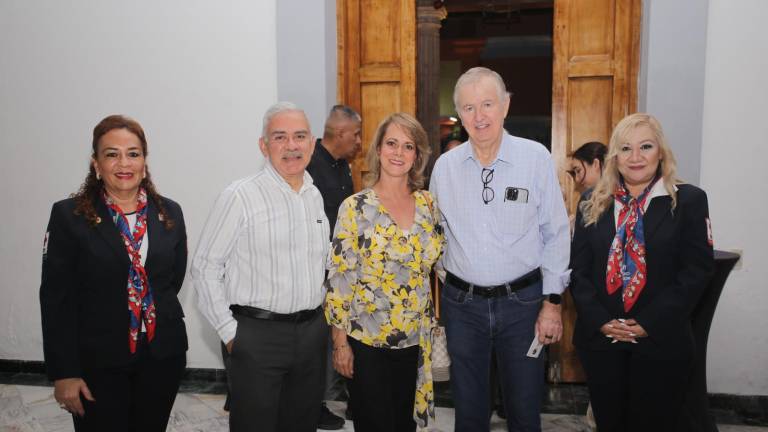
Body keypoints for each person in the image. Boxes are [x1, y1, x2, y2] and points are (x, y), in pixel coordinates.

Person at [430, 67, 571, 432]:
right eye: (469, 108)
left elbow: (556, 234)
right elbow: (433, 236)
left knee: (523, 411)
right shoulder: (444, 168)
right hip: (463, 308)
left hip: (522, 306)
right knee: (468, 413)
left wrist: (552, 303)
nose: (479, 116)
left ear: (505, 106)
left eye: (488, 104)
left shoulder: (535, 158)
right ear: (460, 115)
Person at [40, 115, 188, 432]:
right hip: (97, 361)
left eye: (133, 153)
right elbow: (56, 299)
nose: (124, 163)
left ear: (144, 162)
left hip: (161, 356)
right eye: (112, 154)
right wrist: (64, 372)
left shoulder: (169, 212)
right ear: (96, 163)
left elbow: (172, 280)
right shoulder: (69, 216)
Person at [570, 113, 714, 431]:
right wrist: (602, 321)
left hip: (661, 341)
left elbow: (697, 271)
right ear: (614, 156)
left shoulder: (689, 200)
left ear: (660, 152)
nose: (635, 157)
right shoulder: (591, 201)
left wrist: (648, 323)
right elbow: (578, 271)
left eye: (645, 146)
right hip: (602, 342)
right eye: (626, 148)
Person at [192, 102, 330, 432]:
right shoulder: (240, 196)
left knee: (302, 424)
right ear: (263, 146)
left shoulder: (314, 196)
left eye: (300, 136)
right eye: (280, 137)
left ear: (313, 144)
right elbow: (205, 267)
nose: (292, 145)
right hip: (257, 336)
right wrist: (230, 334)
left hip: (311, 335)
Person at [325, 112, 444, 432]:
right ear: (378, 149)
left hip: (415, 340)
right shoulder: (355, 207)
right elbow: (339, 280)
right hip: (367, 341)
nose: (398, 152)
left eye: (408, 146)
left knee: (404, 426)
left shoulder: (428, 205)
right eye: (391, 143)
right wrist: (340, 343)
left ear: (417, 155)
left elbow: (441, 261)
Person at [307, 104, 362, 430]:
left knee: (343, 334)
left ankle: (353, 399)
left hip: (341, 268)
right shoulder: (309, 163)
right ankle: (312, 405)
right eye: (356, 134)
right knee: (315, 341)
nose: (358, 141)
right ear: (340, 133)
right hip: (315, 269)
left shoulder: (343, 166)